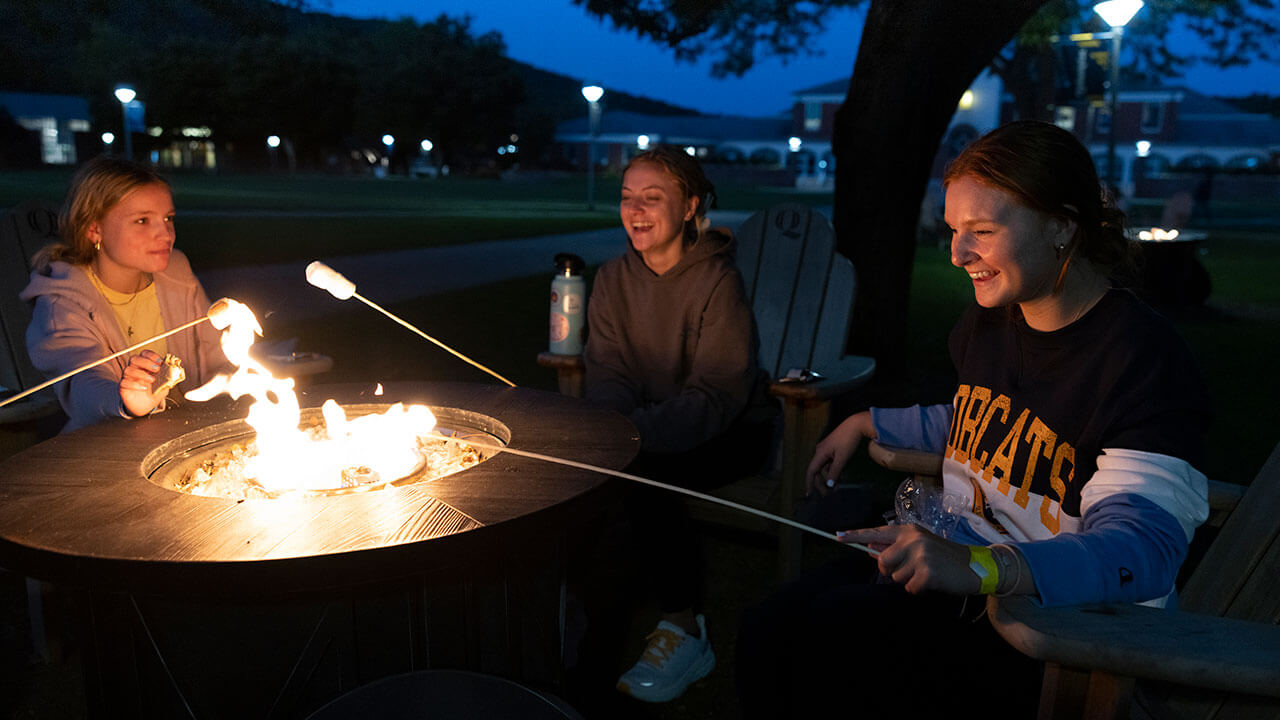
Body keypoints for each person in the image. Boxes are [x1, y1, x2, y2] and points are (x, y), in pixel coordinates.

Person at [735, 121, 1212, 718]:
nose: (958, 253)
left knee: (824, 649)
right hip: (964, 567)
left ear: (1063, 226)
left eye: (982, 231)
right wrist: (868, 423)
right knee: (767, 628)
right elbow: (981, 424)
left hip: (1061, 630)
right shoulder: (993, 321)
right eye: (956, 230)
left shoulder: (1141, 362)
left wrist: (980, 566)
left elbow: (1140, 549)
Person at [581, 145, 777, 703]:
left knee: (645, 473)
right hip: (646, 429)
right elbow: (609, 373)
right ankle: (592, 628)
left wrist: (631, 438)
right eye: (627, 198)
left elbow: (717, 396)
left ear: (690, 206)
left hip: (735, 432)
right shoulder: (614, 280)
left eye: (652, 197)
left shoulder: (718, 283)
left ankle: (686, 629)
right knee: (623, 476)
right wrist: (620, 430)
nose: (635, 210)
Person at [21, 156, 224, 433]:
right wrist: (126, 401)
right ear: (94, 229)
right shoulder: (62, 303)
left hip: (190, 436)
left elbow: (217, 355)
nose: (165, 233)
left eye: (168, 218)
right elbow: (83, 382)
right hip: (105, 451)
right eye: (142, 220)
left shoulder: (176, 273)